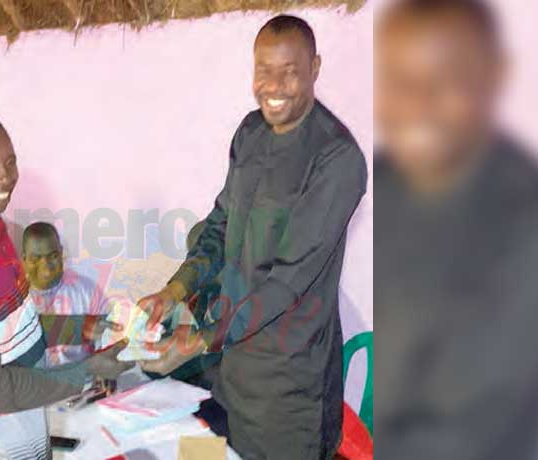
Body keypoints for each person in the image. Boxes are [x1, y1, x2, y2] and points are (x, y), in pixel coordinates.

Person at [136, 15, 367, 460]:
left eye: (290, 71)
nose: (274, 85)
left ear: (315, 68)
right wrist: (175, 290)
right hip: (230, 369)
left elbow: (286, 282)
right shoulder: (250, 133)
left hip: (287, 389)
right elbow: (221, 224)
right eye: (264, 70)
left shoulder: (336, 158)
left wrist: (199, 339)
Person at [375, 1, 538, 459]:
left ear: (495, 75)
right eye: (400, 81)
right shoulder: (387, 182)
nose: (418, 104)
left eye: (448, 78)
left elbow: (452, 429)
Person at [0, 110, 131, 459]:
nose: (4, 177)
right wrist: (86, 371)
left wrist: (87, 328)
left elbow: (20, 331)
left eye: (10, 162)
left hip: (27, 434)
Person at [20, 222, 122, 367]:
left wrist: (105, 369)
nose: (46, 268)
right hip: (36, 385)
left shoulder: (85, 291)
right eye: (36, 259)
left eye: (53, 256)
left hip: (86, 382)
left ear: (61, 253)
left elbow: (111, 335)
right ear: (24, 259)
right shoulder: (13, 301)